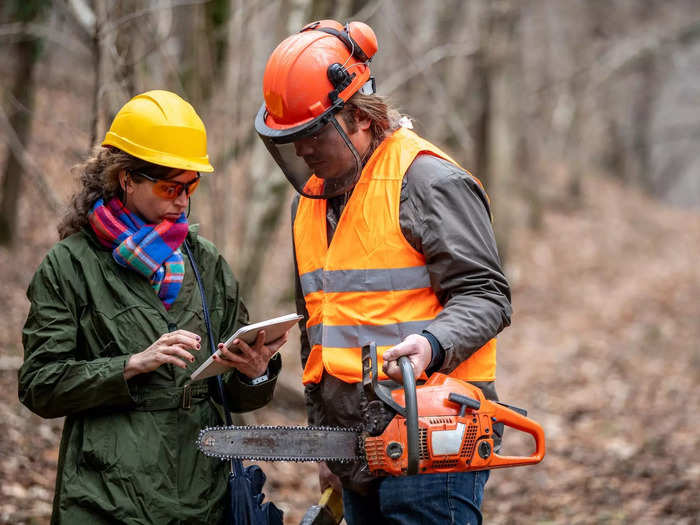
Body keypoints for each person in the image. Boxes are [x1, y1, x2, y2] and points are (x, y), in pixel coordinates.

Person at [254, 20, 512, 525]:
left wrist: (432, 344)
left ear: (360, 118)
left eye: (311, 134)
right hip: (356, 446)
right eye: (290, 139)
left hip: (433, 437)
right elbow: (322, 330)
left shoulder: (427, 181)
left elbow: (486, 294)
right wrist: (328, 446)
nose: (303, 150)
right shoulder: (309, 204)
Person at [18, 90, 286, 524]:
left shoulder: (207, 263)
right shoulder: (70, 265)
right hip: (106, 497)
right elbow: (39, 385)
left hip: (204, 494)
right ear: (126, 179)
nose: (183, 200)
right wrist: (129, 365)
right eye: (170, 187)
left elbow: (235, 392)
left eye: (191, 186)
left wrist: (254, 371)